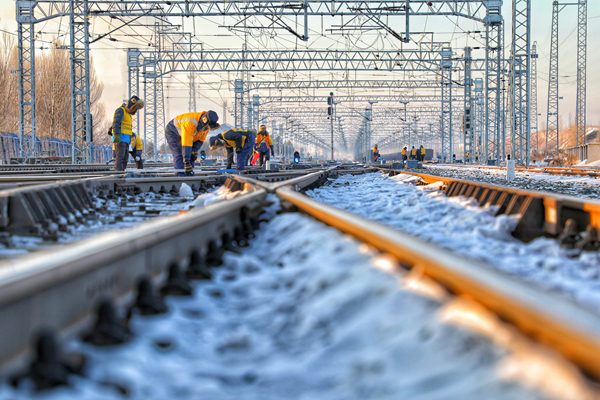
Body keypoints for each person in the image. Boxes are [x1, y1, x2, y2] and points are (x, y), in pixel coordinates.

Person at [165, 111, 220, 176]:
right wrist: (186, 161)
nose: (208, 128)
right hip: (173, 131)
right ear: (204, 120)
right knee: (179, 153)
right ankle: (180, 175)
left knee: (191, 154)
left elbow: (200, 140)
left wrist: (194, 150)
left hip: (187, 136)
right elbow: (186, 143)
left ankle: (190, 174)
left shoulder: (206, 127)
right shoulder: (190, 123)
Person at [113, 96, 144, 171]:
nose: (135, 111)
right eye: (135, 108)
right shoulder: (121, 111)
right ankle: (118, 172)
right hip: (120, 138)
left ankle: (122, 171)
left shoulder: (128, 114)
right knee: (120, 156)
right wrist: (116, 135)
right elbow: (116, 123)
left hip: (126, 139)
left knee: (125, 157)